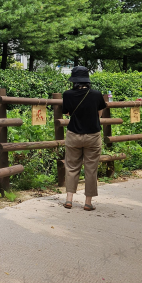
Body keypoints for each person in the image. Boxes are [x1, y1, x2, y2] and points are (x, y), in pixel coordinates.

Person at [62, 66, 107, 211]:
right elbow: (100, 113)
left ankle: (69, 200)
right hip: (93, 135)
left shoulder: (67, 94)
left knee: (71, 167)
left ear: (73, 80)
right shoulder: (96, 94)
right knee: (91, 169)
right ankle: (88, 202)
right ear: (87, 80)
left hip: (73, 134)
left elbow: (67, 113)